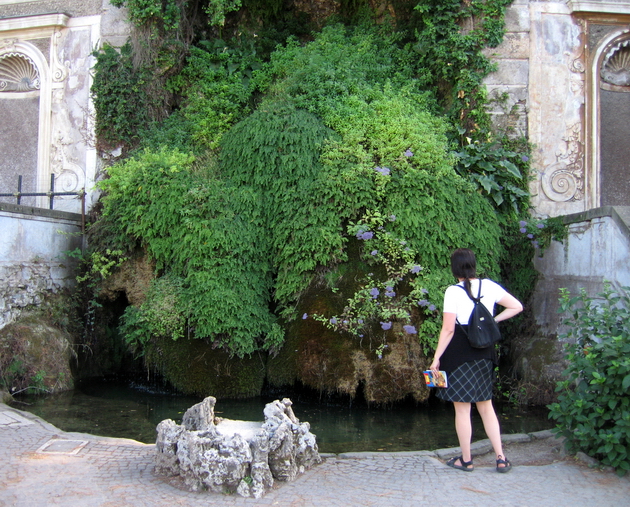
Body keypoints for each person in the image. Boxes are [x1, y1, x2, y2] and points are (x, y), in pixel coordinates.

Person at [430, 248, 523, 473]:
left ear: (455, 268)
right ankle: (501, 458)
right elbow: (517, 306)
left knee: (462, 410)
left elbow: (448, 329)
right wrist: (492, 321)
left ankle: (467, 460)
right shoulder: (489, 286)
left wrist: (436, 358)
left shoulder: (452, 291)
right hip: (484, 354)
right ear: (473, 265)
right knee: (486, 406)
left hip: (459, 356)